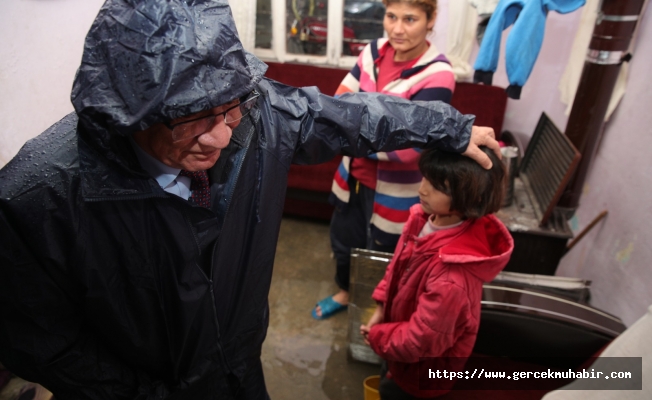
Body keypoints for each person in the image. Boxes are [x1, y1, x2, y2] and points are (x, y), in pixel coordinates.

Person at [0, 0, 500, 399]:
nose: (219, 137)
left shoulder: (256, 114)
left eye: (230, 106)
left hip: (241, 366)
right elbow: (43, 340)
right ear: (126, 114)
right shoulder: (37, 199)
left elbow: (349, 116)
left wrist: (449, 128)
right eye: (189, 118)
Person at [313, 0, 456, 319]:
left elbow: (412, 146)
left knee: (384, 252)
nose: (397, 29)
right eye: (391, 17)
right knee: (344, 241)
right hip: (352, 177)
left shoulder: (439, 74)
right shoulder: (373, 51)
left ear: (431, 19)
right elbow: (339, 101)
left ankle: (375, 314)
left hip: (396, 190)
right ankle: (345, 292)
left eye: (410, 19)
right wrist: (375, 127)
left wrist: (352, 131)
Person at [360, 147, 514, 399]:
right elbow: (397, 266)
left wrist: (378, 337)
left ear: (470, 197)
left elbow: (422, 342)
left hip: (422, 375)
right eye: (426, 177)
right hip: (398, 344)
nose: (422, 189)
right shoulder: (423, 219)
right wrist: (381, 307)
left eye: (438, 186)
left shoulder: (452, 278)